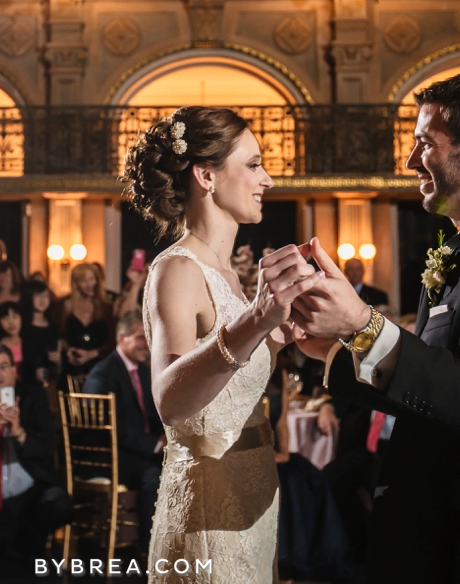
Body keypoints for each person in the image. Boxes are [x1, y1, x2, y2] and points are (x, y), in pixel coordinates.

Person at [271, 71, 460, 583]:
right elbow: (434, 388)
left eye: (423, 144)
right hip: (431, 523)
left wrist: (364, 324)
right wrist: (332, 348)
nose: (411, 161)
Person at [121, 105, 314, 583]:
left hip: (254, 487)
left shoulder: (229, 275)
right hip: (207, 504)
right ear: (206, 176)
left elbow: (228, 381)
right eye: (253, 164)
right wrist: (257, 321)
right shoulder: (177, 269)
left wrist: (282, 335)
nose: (267, 179)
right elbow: (169, 401)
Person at [0, 344, 72, 579]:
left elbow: (47, 447)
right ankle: (19, 559)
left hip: (29, 494)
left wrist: (19, 433)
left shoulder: (33, 398)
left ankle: (24, 549)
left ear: (13, 371)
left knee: (59, 505)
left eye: (3, 367)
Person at [83, 310, 163, 555]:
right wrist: (154, 445)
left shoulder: (143, 371)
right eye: (140, 338)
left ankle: (174, 541)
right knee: (153, 474)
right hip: (109, 454)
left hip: (135, 451)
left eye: (148, 338)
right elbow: (108, 427)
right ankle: (147, 550)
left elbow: (154, 413)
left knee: (183, 464)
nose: (147, 345)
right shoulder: (102, 373)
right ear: (121, 338)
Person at [62, 264, 111, 381]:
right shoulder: (68, 305)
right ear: (76, 284)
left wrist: (91, 354)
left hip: (100, 367)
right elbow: (61, 335)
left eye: (91, 279)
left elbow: (112, 341)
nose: (89, 284)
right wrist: (67, 350)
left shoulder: (106, 307)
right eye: (84, 281)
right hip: (73, 368)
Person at [22, 280, 62, 386]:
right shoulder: (22, 326)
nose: (43, 300)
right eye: (38, 296)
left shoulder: (54, 327)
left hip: (50, 381)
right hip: (26, 380)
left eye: (46, 296)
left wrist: (59, 359)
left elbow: (59, 355)